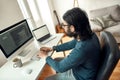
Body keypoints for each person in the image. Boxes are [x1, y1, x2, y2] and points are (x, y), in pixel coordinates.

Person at [37, 7, 101, 80]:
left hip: (80, 76)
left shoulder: (82, 48)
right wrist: (53, 48)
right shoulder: (89, 34)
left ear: (72, 28)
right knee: (56, 59)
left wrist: (45, 56)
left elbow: (59, 68)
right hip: (83, 67)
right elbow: (71, 43)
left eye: (64, 25)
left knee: (47, 79)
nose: (63, 27)